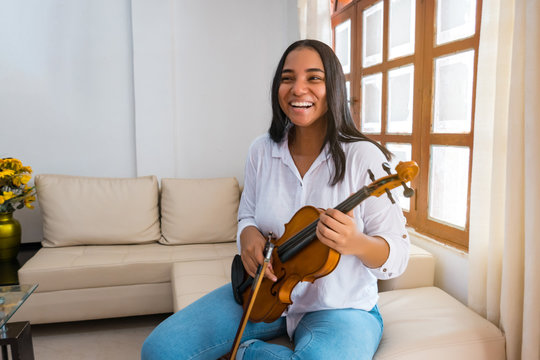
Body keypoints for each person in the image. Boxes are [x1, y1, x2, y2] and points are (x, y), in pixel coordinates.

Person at [141, 39, 410, 360]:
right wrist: (248, 235)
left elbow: (399, 254)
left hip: (340, 307)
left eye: (313, 78)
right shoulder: (261, 150)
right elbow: (248, 216)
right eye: (287, 78)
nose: (298, 89)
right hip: (264, 293)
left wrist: (357, 243)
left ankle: (246, 354)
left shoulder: (364, 156)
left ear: (334, 87)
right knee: (159, 350)